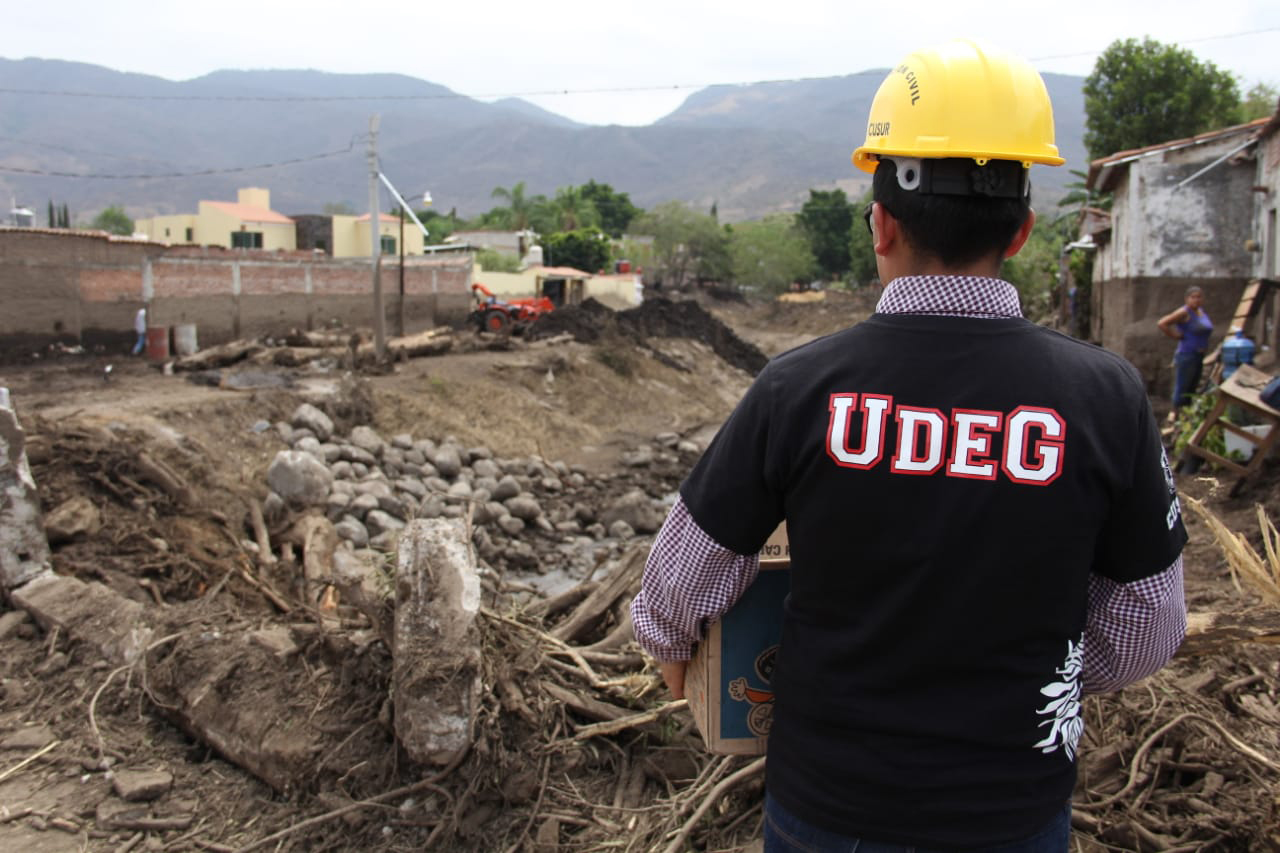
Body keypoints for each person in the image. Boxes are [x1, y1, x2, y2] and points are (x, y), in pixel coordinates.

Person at [631, 40, 1187, 853]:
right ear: (1022, 232)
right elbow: (1149, 623)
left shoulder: (798, 389)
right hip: (1014, 813)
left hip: (826, 811)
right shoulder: (1106, 398)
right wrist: (1035, 676)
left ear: (882, 224)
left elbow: (676, 586)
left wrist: (675, 654)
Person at [1157, 287, 1212, 411]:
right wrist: (1176, 335)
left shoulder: (1200, 312)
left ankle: (1186, 415)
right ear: (1186, 299)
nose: (1196, 300)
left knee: (1192, 388)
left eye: (1199, 297)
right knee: (1183, 388)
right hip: (1187, 355)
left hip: (1199, 355)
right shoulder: (1184, 312)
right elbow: (1162, 323)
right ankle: (1175, 414)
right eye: (1193, 297)